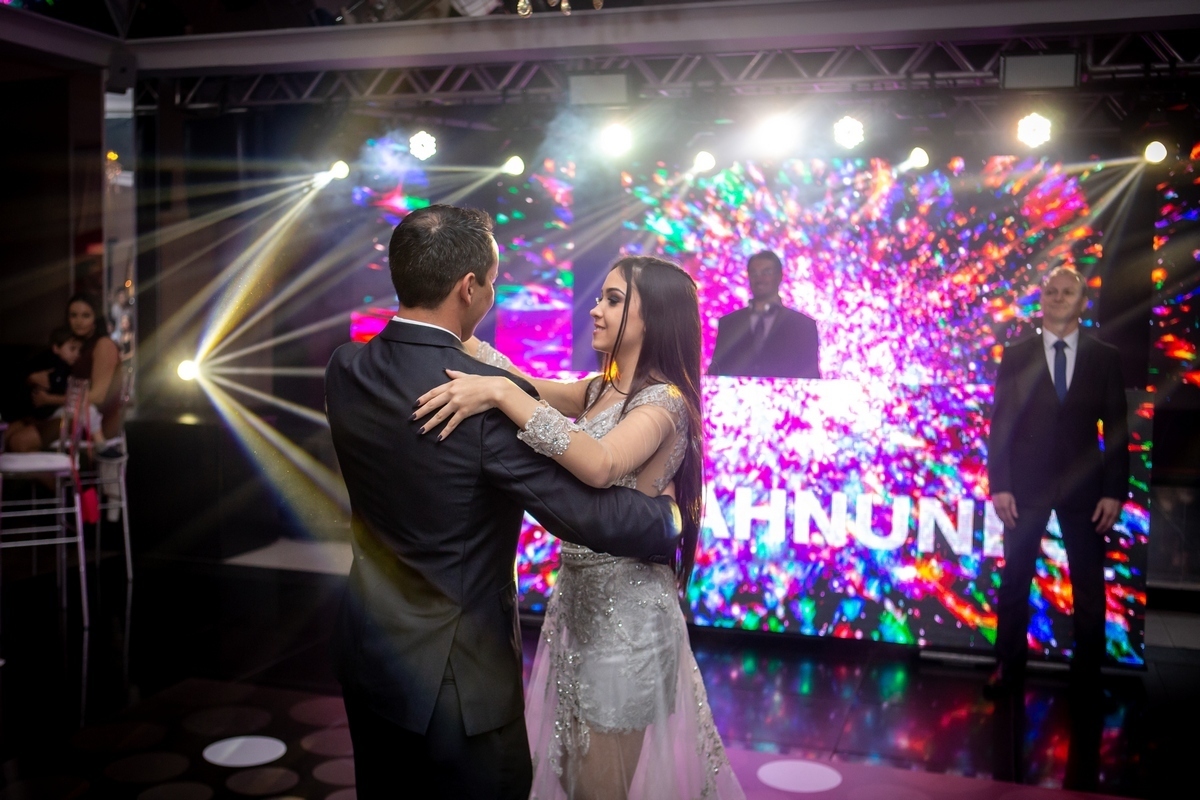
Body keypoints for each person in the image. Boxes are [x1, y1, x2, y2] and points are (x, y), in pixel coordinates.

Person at [324, 206, 683, 800]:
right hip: (458, 679)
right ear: (469, 288)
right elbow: (587, 515)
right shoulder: (479, 405)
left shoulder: (346, 368)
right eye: (492, 283)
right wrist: (667, 517)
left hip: (368, 651)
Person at [415, 256, 744, 799]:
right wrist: (461, 341)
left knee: (598, 789)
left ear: (654, 318)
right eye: (599, 297)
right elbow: (527, 383)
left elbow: (601, 464)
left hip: (628, 625)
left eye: (613, 300)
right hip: (580, 609)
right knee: (572, 778)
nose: (595, 309)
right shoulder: (599, 390)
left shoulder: (664, 401)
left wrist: (500, 394)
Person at [986, 266, 1128, 697]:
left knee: (1088, 584)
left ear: (1082, 302)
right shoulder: (1017, 354)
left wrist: (1114, 491)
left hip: (1086, 489)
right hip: (1025, 487)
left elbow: (1116, 429)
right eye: (1051, 291)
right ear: (1042, 299)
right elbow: (1001, 424)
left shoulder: (1104, 357)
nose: (1058, 297)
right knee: (1016, 580)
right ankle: (1007, 667)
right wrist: (1000, 484)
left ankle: (1088, 675)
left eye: (1068, 292)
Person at [5, 294, 122, 451]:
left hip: (93, 419)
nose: (79, 321)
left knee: (19, 441)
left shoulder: (103, 344)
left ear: (96, 318)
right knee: (8, 433)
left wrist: (51, 399)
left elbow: (97, 397)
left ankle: (58, 468)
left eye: (86, 315)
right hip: (69, 410)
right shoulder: (75, 344)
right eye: (74, 315)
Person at [707, 250, 820, 378]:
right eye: (754, 273)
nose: (759, 279)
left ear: (779, 276)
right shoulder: (728, 323)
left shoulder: (803, 326)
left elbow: (811, 379)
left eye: (766, 272)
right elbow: (716, 374)